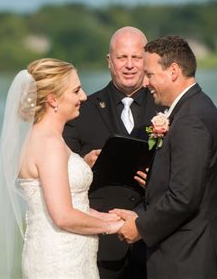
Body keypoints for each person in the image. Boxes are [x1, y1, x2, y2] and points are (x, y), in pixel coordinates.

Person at [112, 35, 217, 278]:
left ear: (173, 71)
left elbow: (183, 197)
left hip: (191, 260)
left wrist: (140, 227)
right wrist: (140, 213)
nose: (145, 82)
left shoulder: (191, 120)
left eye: (150, 74)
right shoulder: (193, 109)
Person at [0, 58, 124, 279]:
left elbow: (71, 203)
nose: (84, 97)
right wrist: (113, 228)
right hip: (60, 261)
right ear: (53, 100)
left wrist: (110, 218)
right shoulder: (48, 144)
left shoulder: (49, 139)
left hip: (69, 255)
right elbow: (62, 216)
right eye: (76, 91)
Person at [63, 26, 161, 279]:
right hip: (101, 247)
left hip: (155, 243)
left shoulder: (168, 108)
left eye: (136, 57)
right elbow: (59, 168)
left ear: (146, 60)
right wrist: (83, 162)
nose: (129, 65)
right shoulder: (81, 110)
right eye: (121, 57)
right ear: (110, 61)